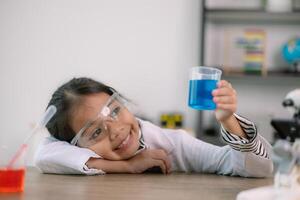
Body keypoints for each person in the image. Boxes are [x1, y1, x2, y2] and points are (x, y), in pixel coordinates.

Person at [35, 77, 273, 176]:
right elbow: (43, 155)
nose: (116, 130)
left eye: (115, 110)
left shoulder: (169, 143)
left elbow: (259, 168)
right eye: (96, 131)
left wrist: (228, 119)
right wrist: (128, 166)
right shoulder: (62, 151)